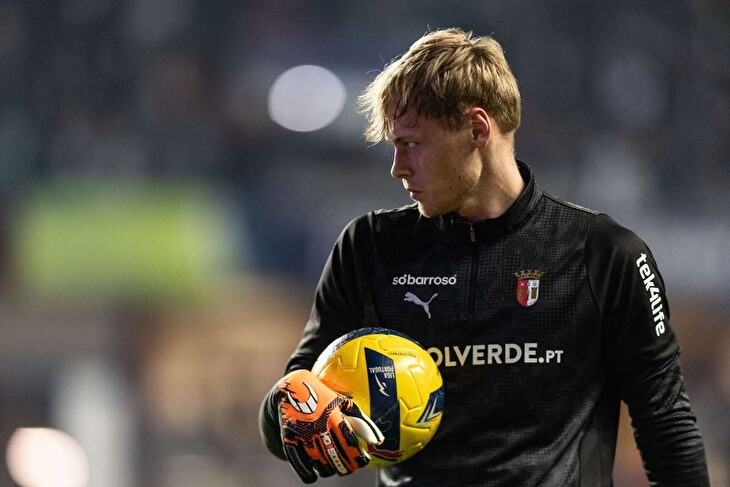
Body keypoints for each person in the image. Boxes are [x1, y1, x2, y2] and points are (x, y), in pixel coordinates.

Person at [259, 27, 710, 486]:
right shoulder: (369, 246)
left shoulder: (604, 254)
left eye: (411, 144)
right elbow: (288, 410)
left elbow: (666, 424)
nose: (397, 167)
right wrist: (295, 412)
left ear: (477, 129)